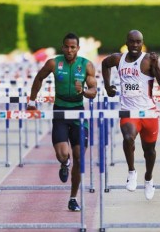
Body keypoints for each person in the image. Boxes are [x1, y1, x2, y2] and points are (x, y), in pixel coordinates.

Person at [27, 32, 97, 211]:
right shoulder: (54, 63)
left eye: (73, 47)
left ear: (78, 48)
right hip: (59, 112)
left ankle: (73, 198)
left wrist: (83, 91)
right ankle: (64, 164)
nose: (69, 50)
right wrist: (32, 101)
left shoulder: (86, 65)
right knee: (63, 154)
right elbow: (39, 77)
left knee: (79, 158)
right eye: (66, 46)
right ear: (62, 47)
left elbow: (94, 91)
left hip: (78, 114)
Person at [101, 29, 160, 200]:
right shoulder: (118, 58)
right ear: (126, 42)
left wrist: (155, 67)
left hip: (148, 112)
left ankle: (148, 178)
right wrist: (107, 86)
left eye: (139, 42)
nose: (135, 45)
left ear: (142, 43)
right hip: (128, 111)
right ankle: (131, 172)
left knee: (149, 150)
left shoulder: (147, 60)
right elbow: (104, 64)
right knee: (128, 138)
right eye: (132, 41)